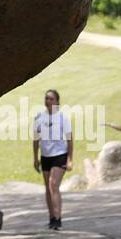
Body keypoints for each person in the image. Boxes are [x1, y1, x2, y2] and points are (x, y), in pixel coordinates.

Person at [33, 89, 73, 230]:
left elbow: (70, 139)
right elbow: (36, 139)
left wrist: (70, 159)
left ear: (57, 102)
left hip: (60, 155)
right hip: (45, 156)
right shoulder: (39, 117)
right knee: (47, 188)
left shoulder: (63, 118)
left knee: (53, 185)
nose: (48, 101)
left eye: (51, 99)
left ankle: (58, 218)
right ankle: (51, 218)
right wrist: (35, 158)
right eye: (46, 98)